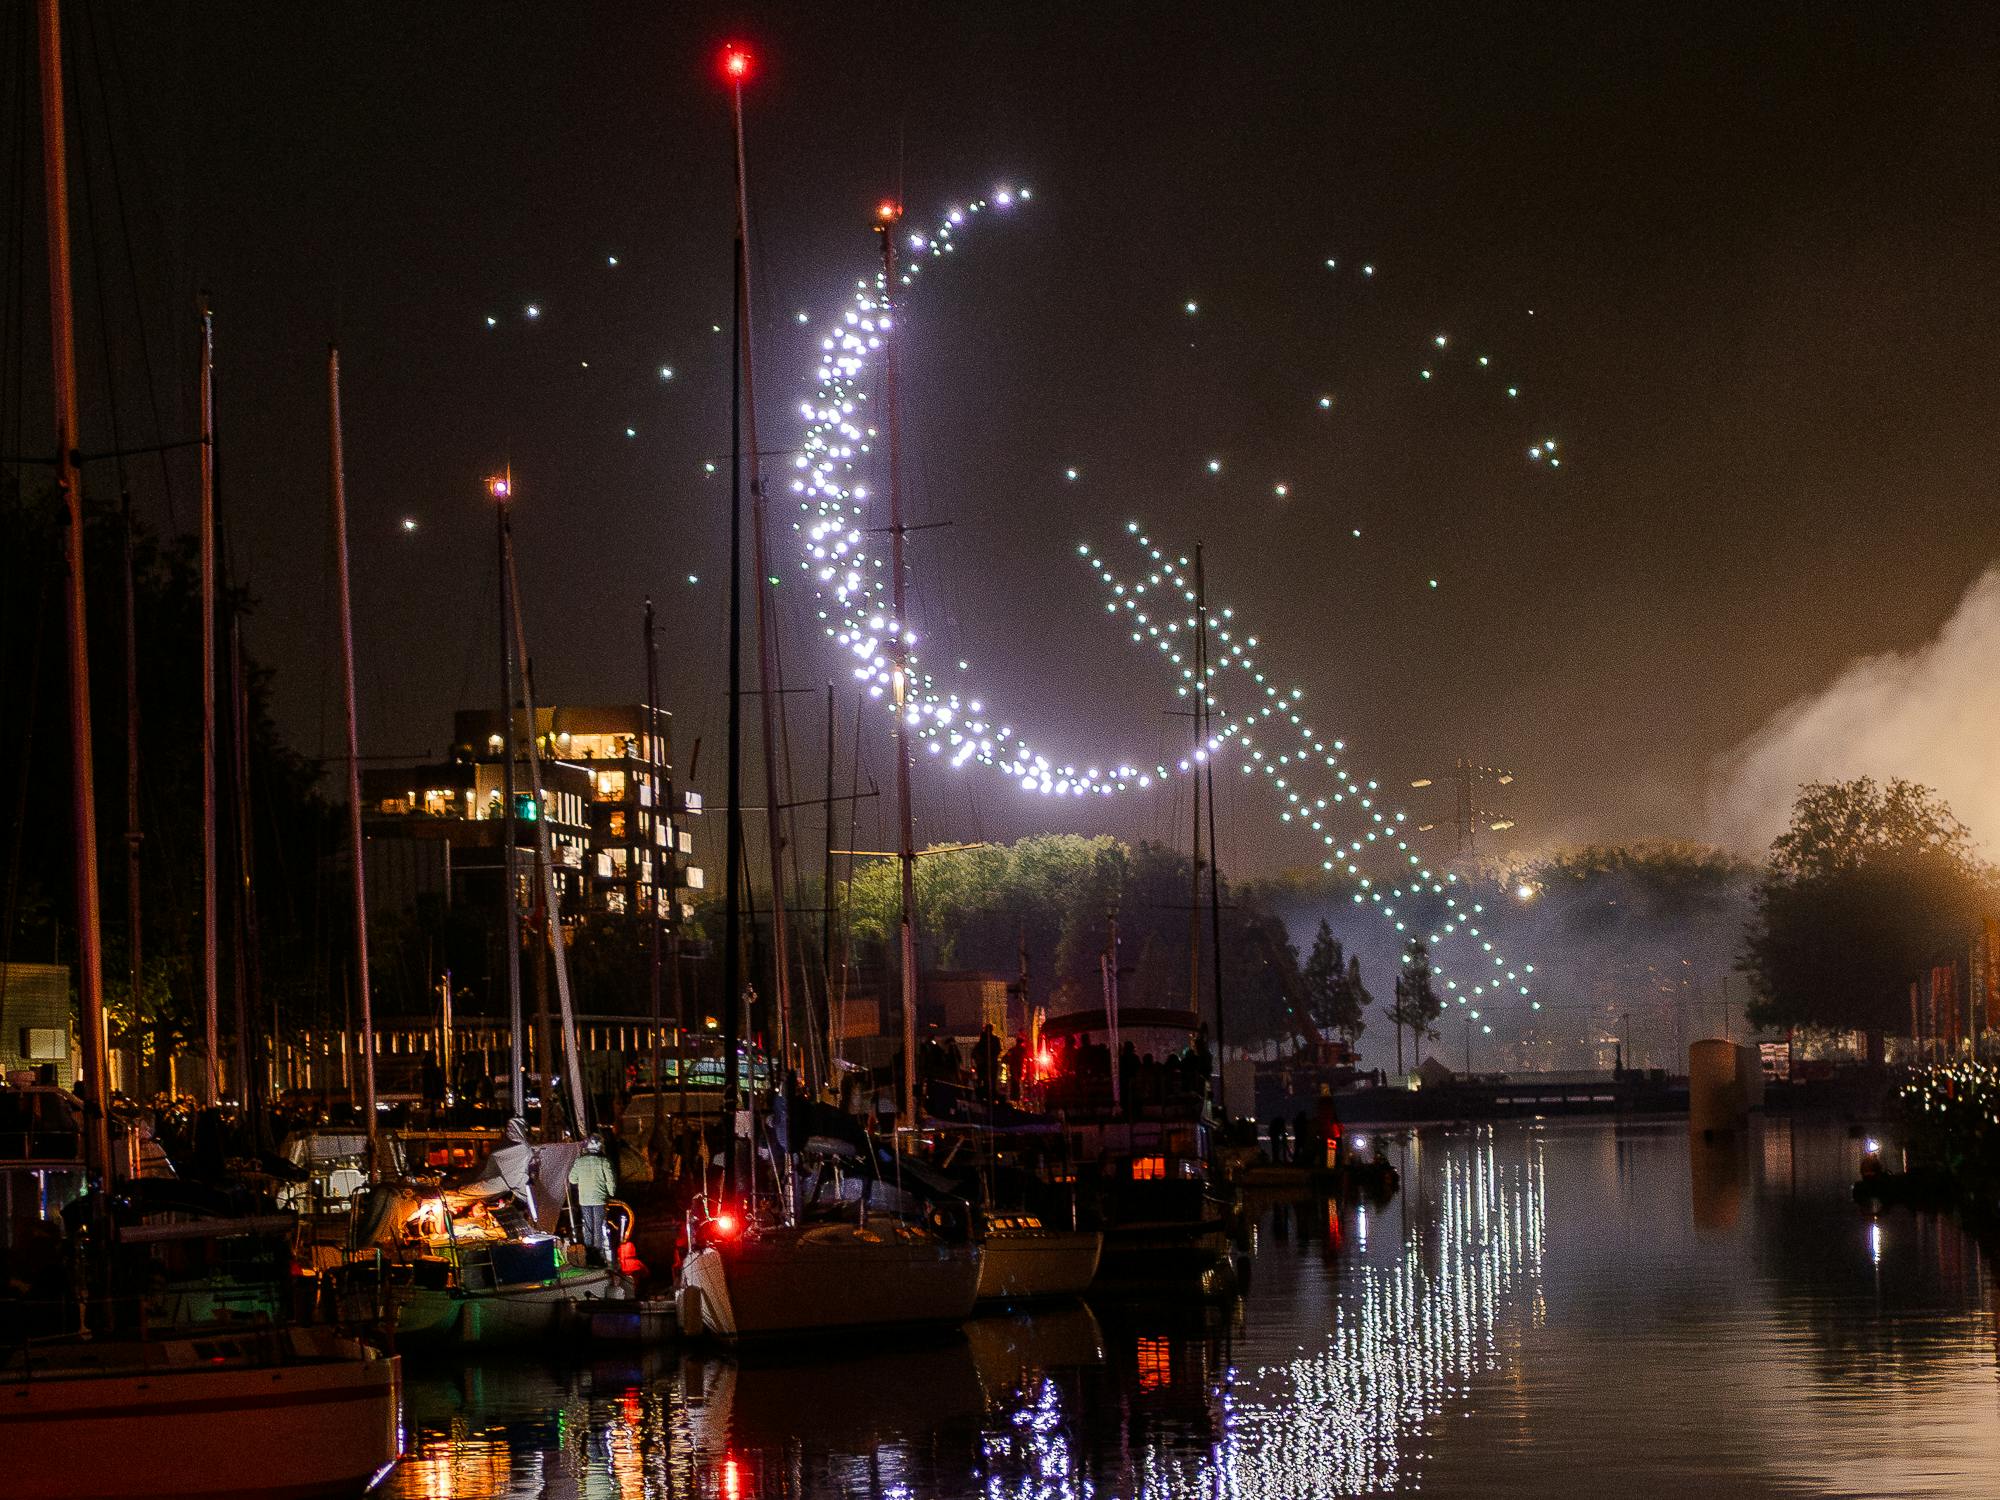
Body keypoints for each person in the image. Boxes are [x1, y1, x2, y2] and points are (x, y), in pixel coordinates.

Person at [570, 1133, 617, 1264]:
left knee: (588, 1227)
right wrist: (611, 1193)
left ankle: (588, 1255)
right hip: (599, 1200)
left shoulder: (579, 1161)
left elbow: (572, 1179)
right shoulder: (604, 1162)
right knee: (598, 1228)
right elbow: (610, 1181)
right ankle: (599, 1256)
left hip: (584, 1200)